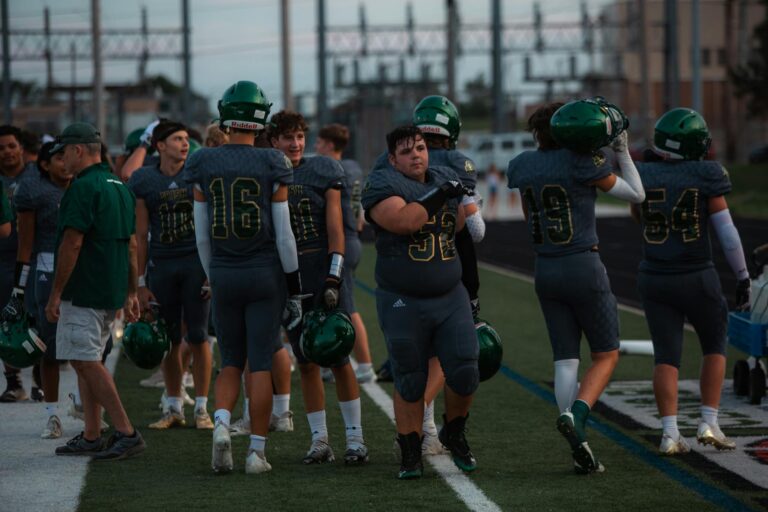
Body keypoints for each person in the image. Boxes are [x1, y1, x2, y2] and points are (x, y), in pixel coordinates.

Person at [507, 101, 645, 474]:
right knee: (606, 354)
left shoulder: (521, 164)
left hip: (545, 268)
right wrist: (620, 151)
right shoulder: (583, 163)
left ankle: (577, 443)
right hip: (583, 263)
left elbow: (527, 215)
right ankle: (577, 417)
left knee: (565, 359)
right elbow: (637, 195)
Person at [186, 81, 302, 475]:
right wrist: (295, 285)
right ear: (260, 117)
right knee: (262, 363)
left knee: (231, 362)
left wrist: (212, 274)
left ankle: (220, 425)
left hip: (223, 271)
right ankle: (256, 451)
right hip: (264, 273)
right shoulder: (273, 162)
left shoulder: (203, 161)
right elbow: (284, 234)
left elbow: (201, 232)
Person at [361, 125, 479, 479]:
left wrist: (461, 199)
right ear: (393, 159)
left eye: (421, 148)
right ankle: (410, 450)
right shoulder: (382, 183)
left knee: (465, 369)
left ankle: (454, 433)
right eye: (407, 151)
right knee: (410, 377)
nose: (417, 155)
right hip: (403, 298)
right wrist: (442, 194)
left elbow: (459, 227)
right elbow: (406, 221)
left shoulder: (443, 174)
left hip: (449, 294)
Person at [633, 108, 749, 454]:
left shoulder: (643, 173)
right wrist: (742, 275)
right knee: (715, 344)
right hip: (696, 273)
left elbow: (637, 213)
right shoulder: (706, 174)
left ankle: (670, 433)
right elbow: (727, 232)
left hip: (654, 275)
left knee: (666, 355)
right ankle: (709, 422)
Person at [268, 110, 369, 466]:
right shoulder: (269, 173)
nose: (295, 144)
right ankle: (319, 440)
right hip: (288, 278)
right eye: (287, 138)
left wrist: (333, 276)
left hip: (321, 271)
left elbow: (336, 229)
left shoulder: (323, 170)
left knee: (339, 357)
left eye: (299, 137)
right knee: (306, 361)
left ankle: (355, 439)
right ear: (273, 141)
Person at [44, 122, 145, 460]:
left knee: (85, 360)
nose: (61, 159)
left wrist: (56, 292)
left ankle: (125, 431)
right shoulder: (119, 185)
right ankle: (90, 434)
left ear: (78, 150)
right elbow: (131, 245)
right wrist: (131, 291)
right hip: (111, 287)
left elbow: (72, 243)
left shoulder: (83, 187)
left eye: (63, 152)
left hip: (85, 288)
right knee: (85, 359)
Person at [128, 119, 214, 430]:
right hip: (162, 265)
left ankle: (202, 408)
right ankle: (174, 406)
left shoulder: (197, 173)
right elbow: (139, 233)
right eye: (177, 138)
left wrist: (211, 270)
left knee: (199, 335)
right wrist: (139, 283)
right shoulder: (144, 180)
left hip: (195, 263)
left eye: (186, 138)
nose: (184, 143)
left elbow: (211, 224)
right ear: (160, 145)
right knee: (169, 338)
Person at [5, 142, 74, 438]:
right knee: (49, 347)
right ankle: (52, 413)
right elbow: (25, 244)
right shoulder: (34, 192)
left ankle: (86, 406)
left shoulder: (83, 186)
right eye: (59, 157)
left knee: (93, 348)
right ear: (45, 165)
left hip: (83, 271)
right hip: (46, 269)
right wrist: (19, 289)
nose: (66, 162)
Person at [314, 123, 375, 383]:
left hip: (343, 240)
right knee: (336, 304)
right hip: (354, 237)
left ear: (329, 144)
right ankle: (330, 362)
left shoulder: (332, 169)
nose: (315, 147)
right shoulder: (354, 168)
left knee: (348, 306)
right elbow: (359, 210)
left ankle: (365, 366)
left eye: (318, 142)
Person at [0, 125, 40, 402]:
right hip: (3, 256)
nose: (7, 152)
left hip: (35, 253)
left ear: (21, 149)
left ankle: (40, 376)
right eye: (1, 148)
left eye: (11, 146)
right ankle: (14, 382)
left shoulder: (36, 175)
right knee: (6, 317)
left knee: (36, 316)